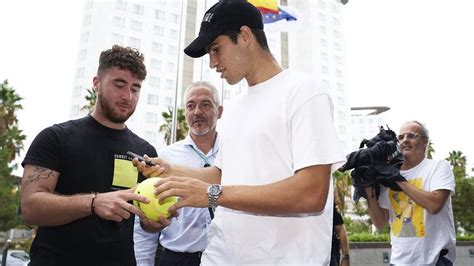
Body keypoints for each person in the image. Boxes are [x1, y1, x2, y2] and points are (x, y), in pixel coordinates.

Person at [133, 1, 346, 264]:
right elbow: (221, 176)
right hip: (220, 257)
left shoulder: (305, 92)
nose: (212, 63)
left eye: (216, 49)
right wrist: (171, 170)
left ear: (245, 36)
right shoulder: (233, 109)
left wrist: (211, 194)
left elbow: (311, 192)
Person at [20, 45, 167, 266]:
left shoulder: (145, 152)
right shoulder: (55, 138)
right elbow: (30, 208)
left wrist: (155, 221)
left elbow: (144, 218)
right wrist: (93, 202)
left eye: (135, 89)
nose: (127, 96)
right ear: (96, 83)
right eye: (119, 84)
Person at [134, 81, 222, 266]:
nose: (197, 111)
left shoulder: (236, 153)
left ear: (219, 111)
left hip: (227, 257)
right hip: (177, 258)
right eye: (191, 105)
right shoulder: (165, 157)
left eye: (205, 104)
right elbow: (143, 225)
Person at [365, 121, 456, 265]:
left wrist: (398, 179)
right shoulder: (387, 174)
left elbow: (434, 205)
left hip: (434, 260)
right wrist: (367, 188)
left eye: (411, 136)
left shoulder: (438, 166)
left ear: (425, 141)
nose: (405, 140)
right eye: (401, 137)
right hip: (398, 262)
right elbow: (380, 222)